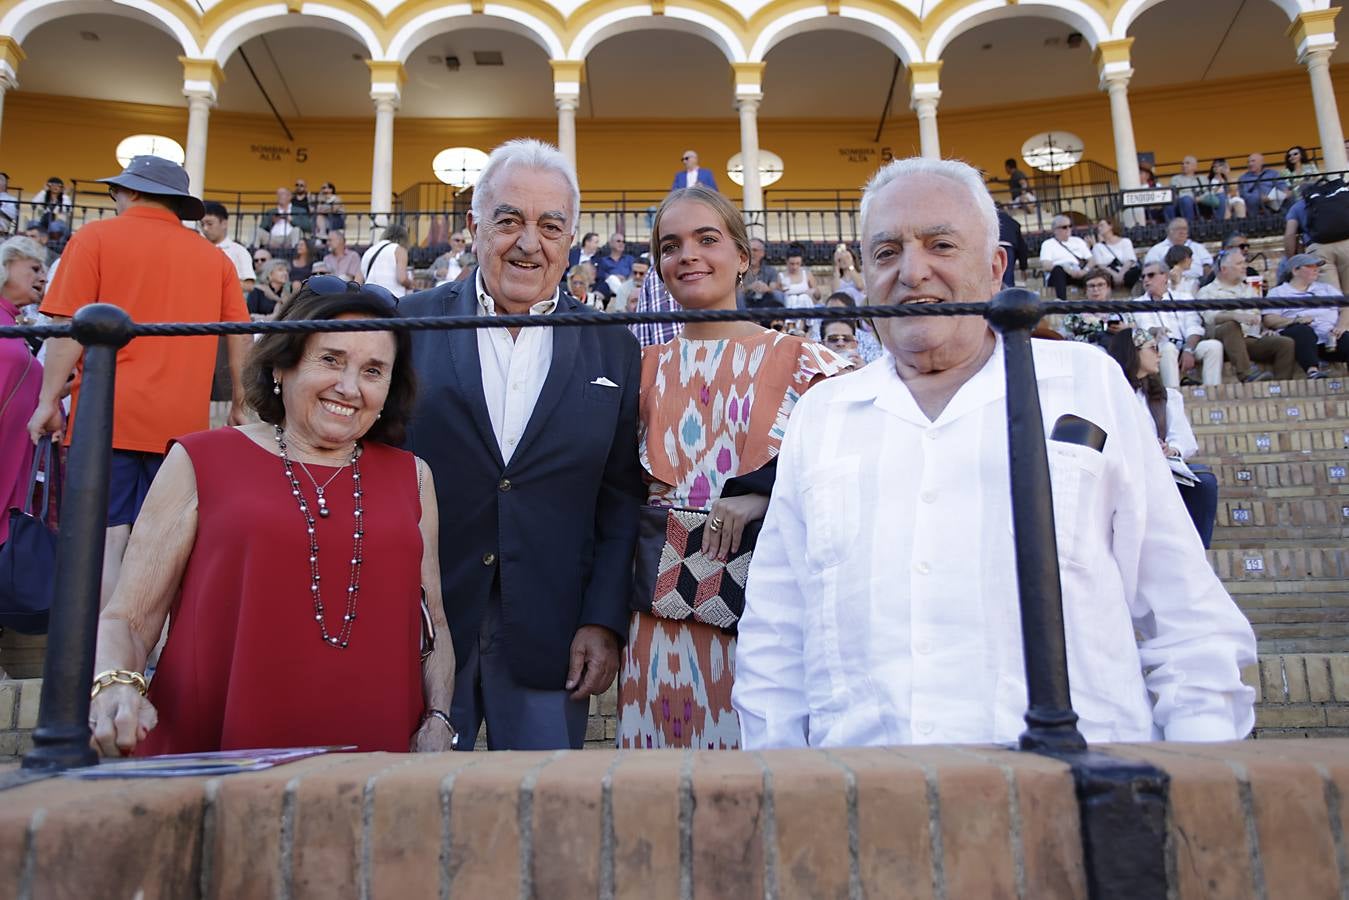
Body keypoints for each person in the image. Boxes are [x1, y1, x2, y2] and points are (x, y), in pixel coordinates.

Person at [732, 155, 1257, 748]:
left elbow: (1181, 610)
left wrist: (1200, 779)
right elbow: (777, 633)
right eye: (886, 252)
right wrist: (786, 791)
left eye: (941, 245)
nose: (913, 271)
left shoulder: (1085, 384)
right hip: (867, 804)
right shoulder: (822, 416)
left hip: (1079, 798)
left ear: (996, 265)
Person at [85, 282, 457, 756]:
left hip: (374, 757)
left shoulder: (414, 476)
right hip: (218, 750)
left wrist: (439, 719)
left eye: (373, 370)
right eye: (330, 359)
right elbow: (131, 617)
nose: (349, 386)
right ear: (282, 364)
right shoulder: (201, 459)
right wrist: (117, 685)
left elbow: (435, 625)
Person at [399, 139, 643, 751]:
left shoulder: (612, 345)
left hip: (553, 634)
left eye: (550, 225)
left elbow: (618, 498)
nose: (528, 242)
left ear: (571, 239)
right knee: (413, 819)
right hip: (422, 630)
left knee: (547, 820)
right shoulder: (408, 323)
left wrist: (602, 618)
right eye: (509, 220)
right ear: (474, 226)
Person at [616, 185, 849, 750]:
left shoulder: (808, 366)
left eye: (707, 239)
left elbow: (855, 474)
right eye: (671, 246)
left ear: (744, 257)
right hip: (656, 629)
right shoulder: (636, 371)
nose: (687, 255)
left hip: (769, 627)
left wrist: (766, 492)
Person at [27, 155, 252, 607]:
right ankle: (141, 661)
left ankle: (100, 662)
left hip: (105, 417)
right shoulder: (215, 260)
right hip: (182, 426)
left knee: (107, 541)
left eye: (116, 192)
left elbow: (70, 331)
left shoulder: (94, 238)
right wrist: (241, 403)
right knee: (162, 546)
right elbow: (240, 337)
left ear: (130, 192)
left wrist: (48, 400)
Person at [1106, 329, 1218, 548]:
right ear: (1133, 352)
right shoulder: (1107, 394)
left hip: (1160, 470)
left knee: (1204, 483)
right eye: (1153, 348)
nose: (1159, 355)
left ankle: (1196, 552)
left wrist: (1171, 449)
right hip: (1123, 472)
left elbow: (1184, 439)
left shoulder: (1166, 396)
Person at [0, 237, 45, 545]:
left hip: (14, 450)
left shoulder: (14, 323)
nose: (42, 277)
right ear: (5, 267)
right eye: (33, 268)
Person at [1197, 248, 1296, 382]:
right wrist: (1234, 316)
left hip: (1249, 338)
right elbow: (1209, 318)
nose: (1244, 266)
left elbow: (1256, 317)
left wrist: (1265, 330)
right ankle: (1247, 374)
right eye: (1239, 264)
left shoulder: (1249, 290)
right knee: (1231, 325)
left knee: (1285, 343)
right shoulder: (1206, 291)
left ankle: (1282, 388)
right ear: (1224, 268)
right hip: (1221, 339)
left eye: (1244, 263)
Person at [1133, 259, 1223, 387]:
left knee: (1213, 346)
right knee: (1168, 348)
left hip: (1186, 345)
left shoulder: (1184, 297)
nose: (1146, 279)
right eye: (1143, 277)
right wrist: (1156, 330)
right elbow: (1145, 326)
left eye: (1151, 275)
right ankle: (1173, 394)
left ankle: (1212, 393)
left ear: (1165, 276)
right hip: (1160, 349)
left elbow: (1194, 327)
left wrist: (1188, 350)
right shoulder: (1138, 303)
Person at [1264, 253, 1349, 378]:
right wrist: (1296, 320)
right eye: (1310, 266)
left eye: (1317, 266)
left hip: (1330, 340)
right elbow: (1269, 319)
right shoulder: (1278, 292)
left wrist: (1341, 326)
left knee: (1347, 338)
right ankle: (1313, 371)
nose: (1316, 269)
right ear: (1295, 270)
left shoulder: (1326, 289)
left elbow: (1345, 308)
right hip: (1301, 340)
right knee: (1302, 330)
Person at [1144, 217, 1212, 295]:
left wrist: (1206, 284)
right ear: (1169, 231)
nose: (1182, 232)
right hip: (1168, 285)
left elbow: (1208, 266)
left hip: (1199, 284)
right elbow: (1150, 273)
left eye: (1185, 229)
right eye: (1178, 229)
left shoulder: (1197, 247)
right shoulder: (1156, 250)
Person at [200, 202, 255, 292]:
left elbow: (249, 285)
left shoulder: (239, 251)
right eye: (202, 224)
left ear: (224, 224)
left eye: (210, 224)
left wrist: (216, 281)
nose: (205, 228)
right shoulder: (199, 249)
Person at [1039, 215, 1091, 299]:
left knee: (1096, 273)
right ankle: (1062, 302)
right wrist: (1066, 269)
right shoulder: (1048, 244)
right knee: (1058, 270)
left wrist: (1084, 271)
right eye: (1064, 227)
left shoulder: (1078, 241)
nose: (1068, 229)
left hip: (1077, 272)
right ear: (1055, 230)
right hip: (1058, 275)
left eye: (1070, 226)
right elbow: (1046, 265)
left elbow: (1091, 260)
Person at [361, 222, 414, 300]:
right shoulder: (399, 250)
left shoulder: (369, 251)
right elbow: (402, 279)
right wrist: (410, 284)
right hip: (391, 299)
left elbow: (358, 281)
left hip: (369, 299)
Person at [1089, 217, 1140, 290]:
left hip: (1126, 271)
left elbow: (1129, 260)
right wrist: (1115, 275)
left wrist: (1120, 275)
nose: (1099, 228)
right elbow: (1101, 265)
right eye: (1098, 226)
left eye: (1102, 225)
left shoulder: (1125, 242)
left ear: (1110, 226)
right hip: (1109, 273)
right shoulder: (1097, 247)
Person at [742, 237, 783, 308]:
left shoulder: (771, 270)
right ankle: (739, 317)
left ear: (762, 253)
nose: (752, 253)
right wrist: (750, 287)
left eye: (755, 250)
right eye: (749, 250)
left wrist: (766, 288)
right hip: (745, 301)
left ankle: (777, 318)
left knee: (778, 294)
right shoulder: (740, 269)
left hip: (765, 302)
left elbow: (773, 288)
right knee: (738, 296)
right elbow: (735, 290)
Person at [1167, 156, 1206, 224]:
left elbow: (1208, 192)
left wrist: (1199, 198)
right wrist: (1191, 198)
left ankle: (1189, 226)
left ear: (1194, 167)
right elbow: (1174, 194)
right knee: (1185, 200)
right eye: (1182, 164)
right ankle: (1172, 227)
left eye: (1187, 163)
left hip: (1199, 203)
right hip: (1181, 203)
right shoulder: (1175, 179)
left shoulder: (1202, 179)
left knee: (1187, 199)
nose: (1184, 165)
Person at [594, 232, 634, 298]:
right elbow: (601, 276)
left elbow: (633, 273)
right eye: (618, 241)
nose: (621, 244)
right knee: (612, 279)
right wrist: (615, 277)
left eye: (623, 242)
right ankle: (625, 296)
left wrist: (627, 281)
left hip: (628, 285)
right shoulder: (603, 260)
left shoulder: (629, 259)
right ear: (611, 243)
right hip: (610, 288)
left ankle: (623, 295)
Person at [996, 206, 1028, 288]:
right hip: (1008, 247)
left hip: (992, 246)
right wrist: (1023, 268)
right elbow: (1022, 248)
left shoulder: (987, 220)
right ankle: (1008, 297)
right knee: (1008, 279)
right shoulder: (1012, 222)